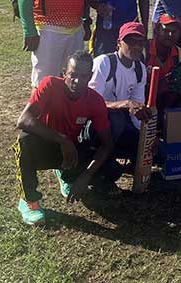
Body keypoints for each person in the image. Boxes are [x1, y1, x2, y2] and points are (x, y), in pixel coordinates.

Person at [13, 51, 116, 225]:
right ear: (63, 73)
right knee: (24, 141)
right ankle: (29, 202)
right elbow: (23, 120)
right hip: (46, 145)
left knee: (111, 170)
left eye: (83, 76)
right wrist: (62, 140)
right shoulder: (50, 85)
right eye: (72, 75)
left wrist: (86, 175)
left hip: (70, 152)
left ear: (90, 76)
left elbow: (107, 144)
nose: (77, 81)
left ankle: (67, 174)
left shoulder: (95, 101)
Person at [88, 22, 150, 163]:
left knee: (157, 152)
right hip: (96, 122)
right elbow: (91, 103)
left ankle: (116, 156)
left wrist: (144, 136)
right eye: (130, 41)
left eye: (140, 43)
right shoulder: (104, 63)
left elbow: (137, 109)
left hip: (121, 122)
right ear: (119, 43)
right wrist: (125, 104)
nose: (136, 46)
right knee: (116, 119)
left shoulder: (140, 69)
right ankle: (97, 155)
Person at [145, 13, 181, 113]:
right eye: (166, 30)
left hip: (167, 99)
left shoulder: (180, 54)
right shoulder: (144, 50)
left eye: (174, 31)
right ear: (157, 31)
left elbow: (178, 87)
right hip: (142, 98)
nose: (170, 35)